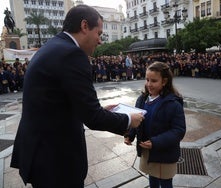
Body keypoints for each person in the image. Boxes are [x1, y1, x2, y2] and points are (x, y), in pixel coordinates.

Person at [10, 5, 144, 188]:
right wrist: (129, 120)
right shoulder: (72, 54)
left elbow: (56, 102)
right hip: (56, 162)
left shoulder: (53, 46)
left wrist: (97, 110)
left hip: (41, 153)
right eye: (99, 33)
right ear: (84, 26)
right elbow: (93, 118)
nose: (100, 41)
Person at [124, 61, 186, 188]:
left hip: (164, 152)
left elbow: (178, 131)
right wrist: (130, 135)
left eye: (153, 81)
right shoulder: (141, 100)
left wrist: (156, 142)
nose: (148, 84)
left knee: (165, 181)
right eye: (147, 80)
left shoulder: (173, 104)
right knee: (152, 177)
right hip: (148, 149)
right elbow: (138, 121)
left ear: (164, 82)